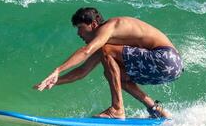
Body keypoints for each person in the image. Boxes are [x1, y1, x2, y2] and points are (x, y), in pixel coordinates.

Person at [33, 7, 183, 119]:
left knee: (107, 52)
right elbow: (82, 71)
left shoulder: (109, 27)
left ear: (92, 24)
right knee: (118, 76)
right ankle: (156, 109)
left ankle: (117, 109)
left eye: (80, 28)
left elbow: (86, 51)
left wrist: (58, 69)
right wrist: (55, 81)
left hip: (164, 57)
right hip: (171, 67)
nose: (79, 33)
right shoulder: (108, 43)